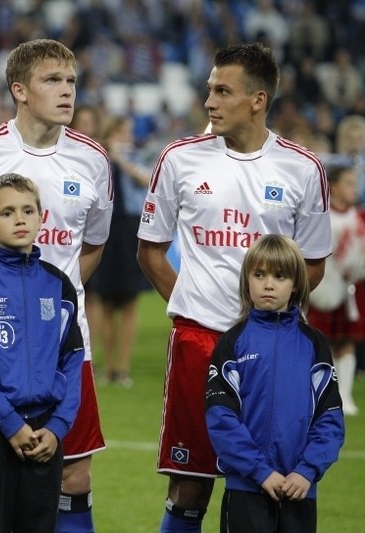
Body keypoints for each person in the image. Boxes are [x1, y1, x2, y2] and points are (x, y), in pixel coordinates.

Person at [136, 42, 331, 533]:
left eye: (223, 91)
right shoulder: (179, 159)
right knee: (189, 485)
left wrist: (267, 325)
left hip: (275, 350)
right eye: (209, 90)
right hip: (199, 340)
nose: (209, 102)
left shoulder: (302, 168)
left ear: (258, 99)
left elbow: (312, 265)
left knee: (275, 484)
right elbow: (150, 251)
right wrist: (191, 305)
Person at [0, 39, 113, 533]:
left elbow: (92, 247)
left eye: (71, 81)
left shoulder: (93, 160)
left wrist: (45, 316)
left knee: (74, 475)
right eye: (53, 80)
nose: (67, 91)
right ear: (20, 90)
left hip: (64, 350)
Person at [0, 173, 83, 531]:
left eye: (28, 210)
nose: (20, 219)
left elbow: (72, 362)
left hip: (44, 433)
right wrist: (9, 423)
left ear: (42, 217)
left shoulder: (57, 283)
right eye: (7, 213)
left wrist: (56, 427)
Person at [205, 234, 344, 533]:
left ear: (295, 283)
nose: (268, 284)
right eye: (259, 275)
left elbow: (330, 419)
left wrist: (306, 471)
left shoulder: (314, 344)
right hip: (246, 488)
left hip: (300, 488)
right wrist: (259, 470)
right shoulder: (233, 342)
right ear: (247, 281)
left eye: (279, 276)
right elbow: (221, 418)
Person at [72, 112, 152, 387]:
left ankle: (123, 368)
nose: (127, 137)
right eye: (122, 132)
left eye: (128, 132)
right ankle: (107, 367)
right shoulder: (98, 161)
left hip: (130, 229)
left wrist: (121, 159)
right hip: (107, 231)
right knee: (104, 301)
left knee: (129, 302)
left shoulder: (135, 157)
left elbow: (147, 182)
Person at [307, 166, 365, 415]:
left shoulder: (360, 217)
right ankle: (326, 394)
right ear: (335, 186)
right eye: (349, 183)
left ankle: (346, 395)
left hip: (353, 287)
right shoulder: (322, 216)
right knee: (325, 340)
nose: (354, 189)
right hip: (324, 286)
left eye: (355, 184)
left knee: (348, 338)